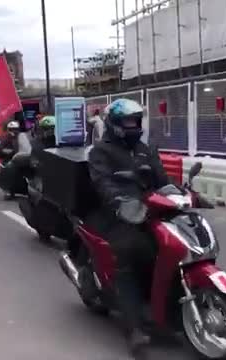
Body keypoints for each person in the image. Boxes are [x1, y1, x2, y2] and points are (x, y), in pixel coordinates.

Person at [87, 98, 171, 355]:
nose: (133, 125)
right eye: (127, 121)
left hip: (150, 211)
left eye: (136, 121)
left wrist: (186, 193)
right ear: (114, 124)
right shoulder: (101, 152)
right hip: (119, 215)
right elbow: (103, 184)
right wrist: (119, 202)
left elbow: (163, 180)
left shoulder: (146, 150)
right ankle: (133, 327)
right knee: (131, 255)